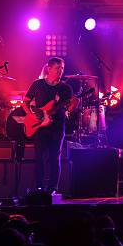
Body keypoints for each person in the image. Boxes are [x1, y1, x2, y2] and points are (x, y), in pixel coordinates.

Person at [22, 57, 74, 193]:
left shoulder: (65, 88)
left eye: (62, 68)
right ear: (49, 69)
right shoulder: (37, 84)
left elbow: (69, 108)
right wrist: (31, 115)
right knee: (39, 157)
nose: (60, 71)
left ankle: (52, 188)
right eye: (58, 68)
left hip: (57, 127)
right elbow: (25, 102)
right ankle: (39, 187)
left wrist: (72, 106)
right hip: (40, 126)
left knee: (54, 157)